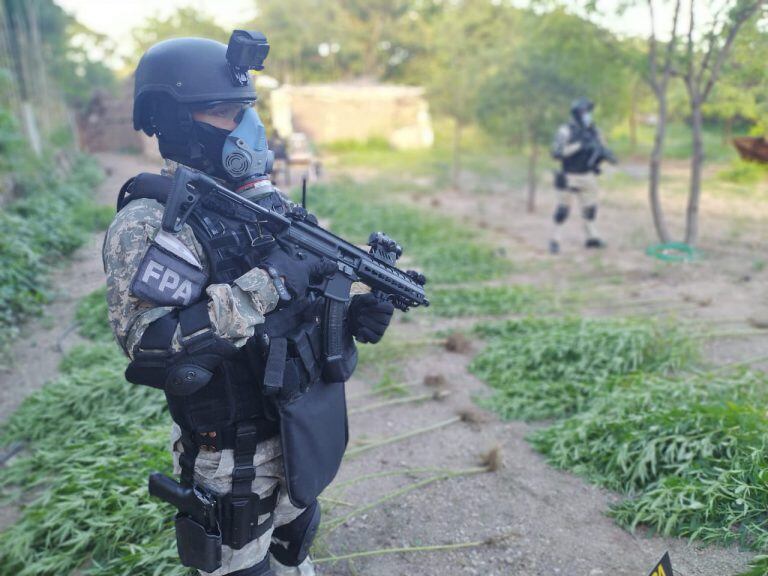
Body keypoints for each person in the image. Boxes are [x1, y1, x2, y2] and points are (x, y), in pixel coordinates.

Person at [102, 32, 394, 576]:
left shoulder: (266, 203)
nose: (247, 128)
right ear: (177, 121)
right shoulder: (150, 224)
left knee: (295, 554)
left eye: (244, 110)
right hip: (230, 457)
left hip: (297, 431)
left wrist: (347, 315)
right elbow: (154, 349)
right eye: (222, 112)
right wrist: (268, 282)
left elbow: (299, 302)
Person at [548, 98, 616, 255]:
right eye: (584, 112)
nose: (587, 115)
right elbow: (557, 153)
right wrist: (579, 146)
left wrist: (606, 155)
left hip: (587, 175)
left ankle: (592, 237)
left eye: (589, 112)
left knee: (590, 209)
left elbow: (601, 147)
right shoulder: (565, 131)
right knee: (563, 210)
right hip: (569, 175)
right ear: (577, 113)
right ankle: (555, 239)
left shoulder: (594, 131)